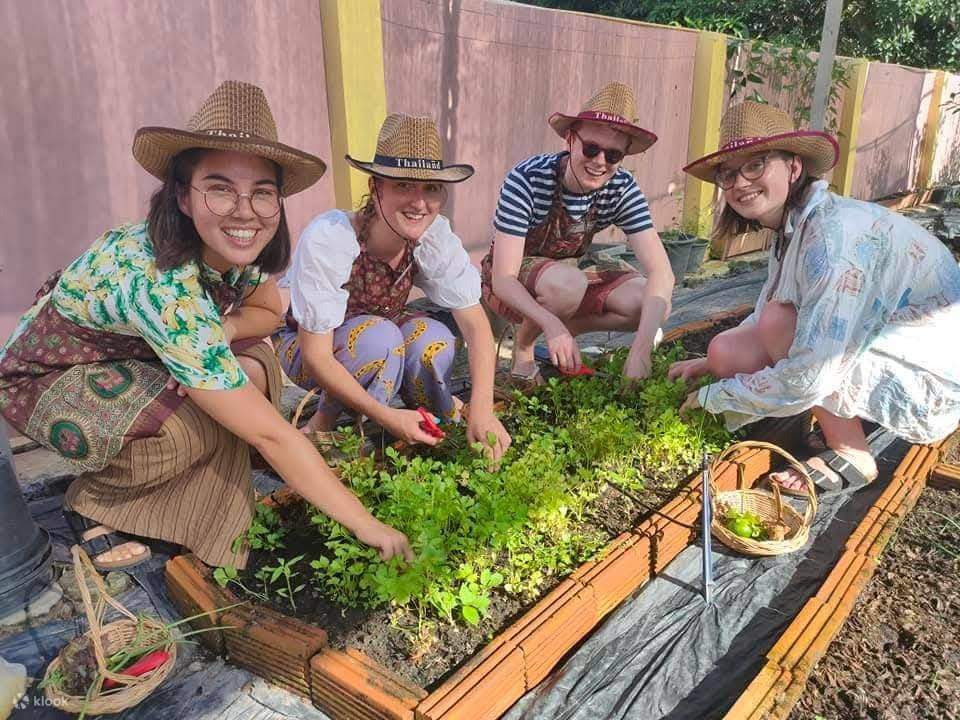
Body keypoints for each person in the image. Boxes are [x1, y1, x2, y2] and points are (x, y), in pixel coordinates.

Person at [0, 81, 413, 571]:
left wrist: (220, 331)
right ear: (182, 195)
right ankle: (94, 501)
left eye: (262, 193)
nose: (244, 210)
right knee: (196, 428)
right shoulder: (159, 284)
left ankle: (170, 495)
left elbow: (269, 314)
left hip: (138, 357)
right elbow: (272, 436)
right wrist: (368, 524)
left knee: (256, 369)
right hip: (51, 375)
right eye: (220, 188)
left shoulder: (242, 246)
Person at [671, 101, 960, 492]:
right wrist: (710, 365)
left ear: (794, 167)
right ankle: (839, 416)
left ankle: (851, 451)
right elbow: (767, 308)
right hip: (881, 344)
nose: (739, 182)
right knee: (728, 350)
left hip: (932, 374)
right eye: (728, 173)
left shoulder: (832, 237)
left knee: (780, 323)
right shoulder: (795, 227)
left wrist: (717, 398)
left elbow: (813, 369)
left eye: (755, 165)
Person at [274, 114, 511, 460]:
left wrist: (483, 406)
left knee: (434, 339)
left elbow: (476, 325)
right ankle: (323, 426)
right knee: (380, 339)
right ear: (376, 188)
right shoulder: (332, 237)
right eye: (403, 185)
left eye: (430, 188)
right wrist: (385, 416)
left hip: (379, 337)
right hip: (306, 347)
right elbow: (316, 354)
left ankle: (440, 418)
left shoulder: (433, 238)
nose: (419, 203)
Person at [481, 81, 674, 384]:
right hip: (516, 275)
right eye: (591, 148)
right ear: (570, 140)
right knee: (567, 284)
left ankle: (566, 331)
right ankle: (524, 348)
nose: (599, 162)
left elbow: (662, 272)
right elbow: (503, 278)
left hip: (568, 274)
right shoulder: (528, 178)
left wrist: (641, 350)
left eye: (612, 155)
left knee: (650, 304)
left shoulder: (622, 188)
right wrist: (549, 323)